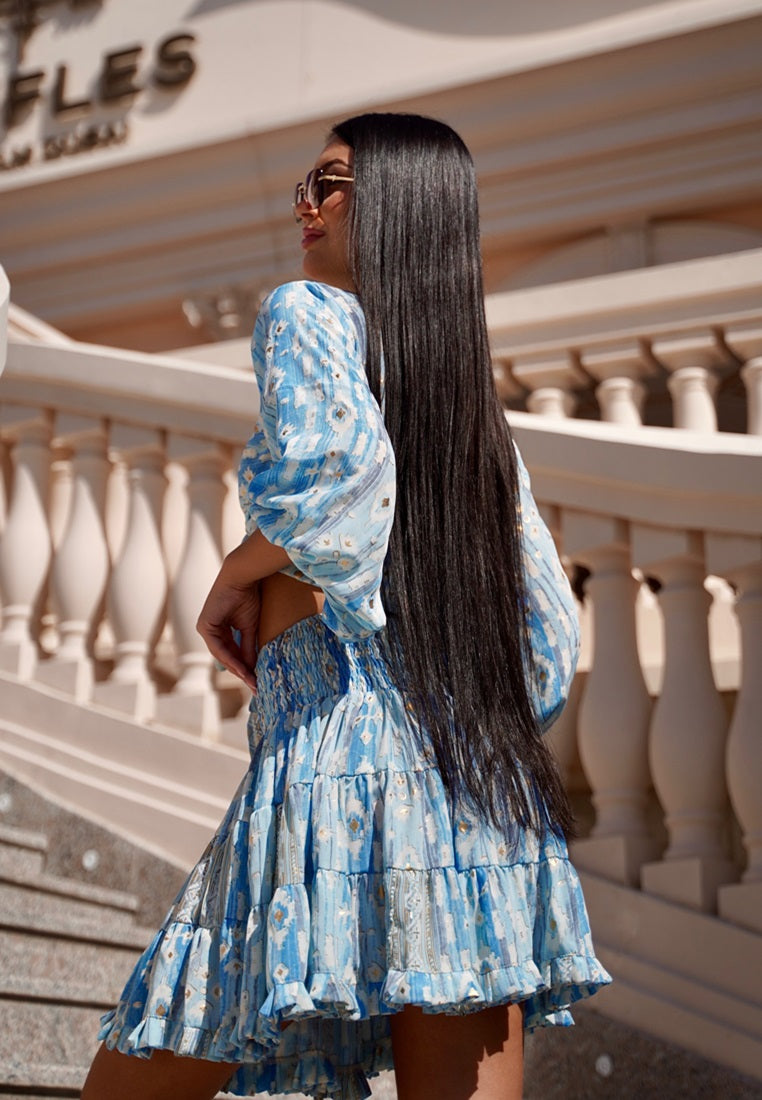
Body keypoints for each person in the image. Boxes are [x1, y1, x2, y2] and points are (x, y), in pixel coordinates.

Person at [82, 112, 611, 1100]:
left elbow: (335, 486)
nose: (306, 207)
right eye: (305, 188)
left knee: (134, 1079)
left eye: (328, 184)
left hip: (340, 767)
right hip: (477, 790)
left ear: (404, 208)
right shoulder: (468, 412)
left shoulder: (305, 313)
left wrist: (237, 571)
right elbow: (547, 636)